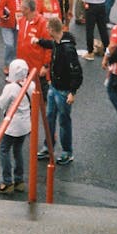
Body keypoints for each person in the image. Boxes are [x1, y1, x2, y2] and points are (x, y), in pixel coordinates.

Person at [36, 15, 83, 164]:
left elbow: (77, 71)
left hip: (62, 91)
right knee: (49, 118)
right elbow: (51, 44)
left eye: (47, 28)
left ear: (51, 29)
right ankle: (48, 146)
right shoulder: (58, 41)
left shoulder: (67, 49)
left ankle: (67, 151)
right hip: (54, 87)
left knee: (63, 121)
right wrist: (39, 41)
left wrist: (72, 92)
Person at [0, 58, 32, 194]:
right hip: (25, 125)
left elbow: (0, 105)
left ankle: (7, 181)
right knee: (18, 150)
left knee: (4, 150)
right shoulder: (30, 84)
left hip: (12, 126)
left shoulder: (10, 88)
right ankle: (19, 180)